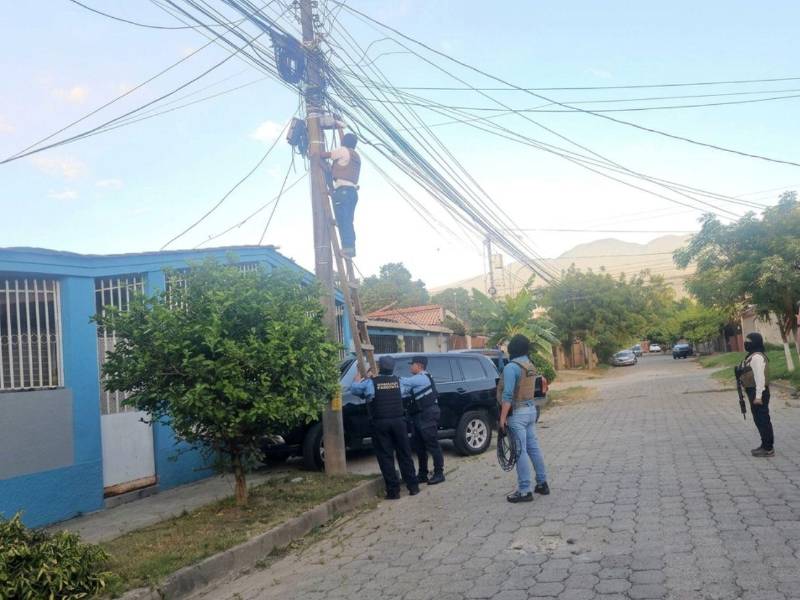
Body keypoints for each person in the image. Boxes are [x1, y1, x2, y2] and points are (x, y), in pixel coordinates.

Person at [351, 356, 419, 499]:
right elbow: (407, 391)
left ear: (379, 367)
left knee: (386, 456)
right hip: (399, 422)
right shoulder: (399, 381)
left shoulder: (371, 383)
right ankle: (413, 487)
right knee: (405, 455)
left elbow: (355, 390)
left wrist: (358, 378)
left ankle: (393, 492)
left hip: (380, 423)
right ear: (393, 368)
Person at [499, 334, 550, 503]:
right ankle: (542, 483)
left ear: (512, 348)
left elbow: (507, 396)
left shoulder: (511, 367)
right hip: (531, 410)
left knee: (520, 451)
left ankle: (524, 490)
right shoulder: (530, 364)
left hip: (518, 413)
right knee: (533, 448)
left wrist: (502, 419)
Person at [400, 356, 445, 485]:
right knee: (419, 446)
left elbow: (403, 382)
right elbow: (403, 391)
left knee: (432, 445)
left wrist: (386, 380)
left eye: (412, 364)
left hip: (427, 414)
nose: (410, 366)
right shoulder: (417, 379)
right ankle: (422, 474)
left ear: (419, 365)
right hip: (419, 416)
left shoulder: (421, 378)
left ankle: (439, 473)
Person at [321, 125, 360, 257]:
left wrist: (314, 152)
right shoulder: (355, 156)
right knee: (347, 220)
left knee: (345, 220)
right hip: (352, 192)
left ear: (344, 142)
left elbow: (325, 155)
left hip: (343, 192)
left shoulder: (343, 151)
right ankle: (350, 248)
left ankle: (348, 249)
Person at [739, 332, 775, 457]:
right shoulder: (752, 356)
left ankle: (768, 448)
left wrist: (758, 397)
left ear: (755, 342)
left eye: (749, 341)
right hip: (753, 391)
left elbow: (760, 379)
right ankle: (764, 444)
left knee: (763, 419)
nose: (746, 343)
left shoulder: (757, 357)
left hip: (758, 392)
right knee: (759, 419)